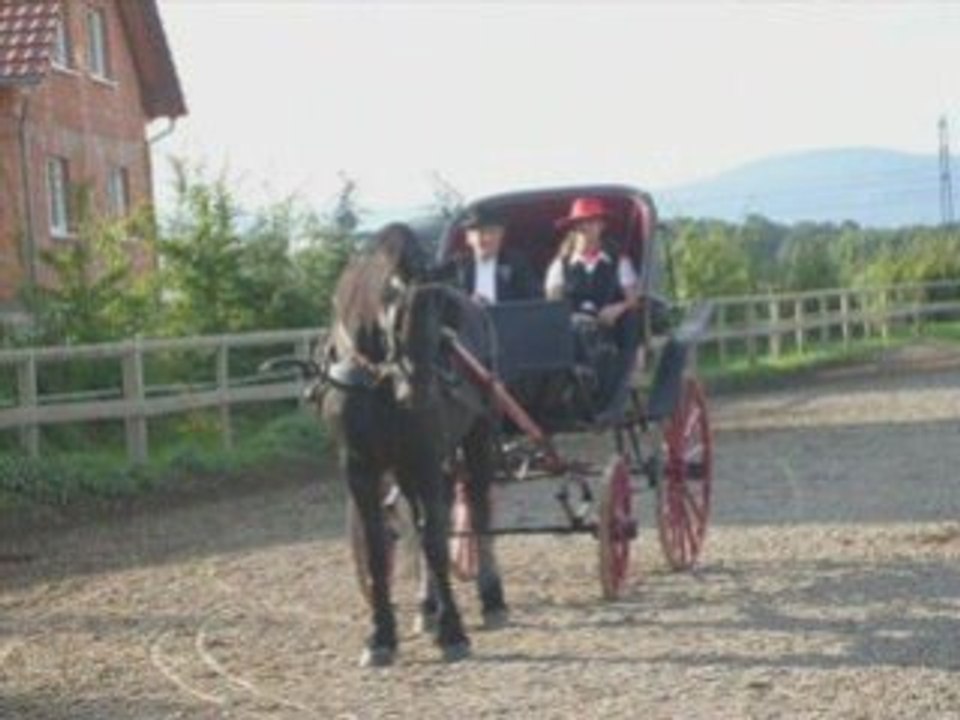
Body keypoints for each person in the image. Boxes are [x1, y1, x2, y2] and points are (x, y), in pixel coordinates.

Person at [544, 196, 642, 423]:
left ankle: (612, 392)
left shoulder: (618, 261)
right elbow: (553, 304)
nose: (586, 229)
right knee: (574, 329)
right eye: (581, 225)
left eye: (592, 223)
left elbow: (634, 298)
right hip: (574, 328)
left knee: (628, 322)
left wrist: (618, 308)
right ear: (573, 229)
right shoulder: (560, 266)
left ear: (601, 226)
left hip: (610, 325)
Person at [453, 205, 539, 304]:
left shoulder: (516, 263)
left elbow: (534, 302)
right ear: (468, 238)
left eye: (491, 232)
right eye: (478, 233)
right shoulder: (459, 268)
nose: (484, 239)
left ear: (501, 235)